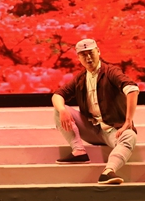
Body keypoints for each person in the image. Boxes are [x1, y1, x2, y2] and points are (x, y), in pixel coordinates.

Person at [52, 38, 138, 185]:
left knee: (130, 136)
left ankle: (109, 171)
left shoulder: (111, 71)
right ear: (79, 58)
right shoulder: (81, 78)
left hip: (113, 130)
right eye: (83, 55)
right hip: (92, 128)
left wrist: (128, 121)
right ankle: (79, 152)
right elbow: (58, 94)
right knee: (59, 110)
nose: (88, 58)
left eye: (91, 53)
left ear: (98, 52)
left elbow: (132, 89)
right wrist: (62, 110)